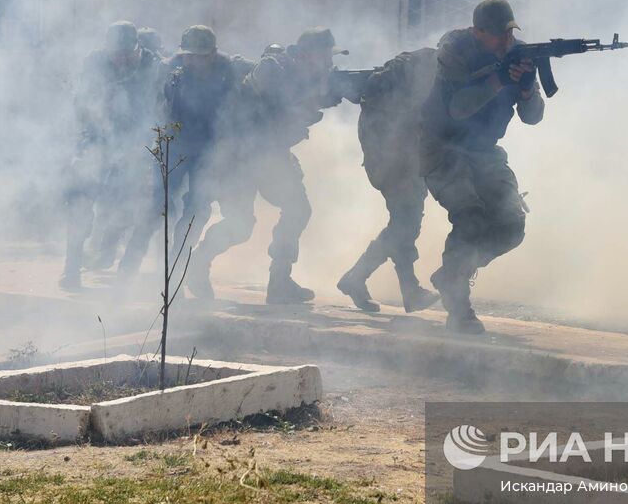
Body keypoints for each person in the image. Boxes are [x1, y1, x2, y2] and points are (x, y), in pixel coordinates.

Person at [184, 27, 347, 304]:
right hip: (241, 153)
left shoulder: (305, 75)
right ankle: (198, 264)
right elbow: (258, 112)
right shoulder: (273, 69)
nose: (329, 62)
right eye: (324, 55)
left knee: (297, 208)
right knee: (241, 224)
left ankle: (280, 282)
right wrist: (308, 102)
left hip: (267, 154)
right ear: (308, 54)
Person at [420, 0, 543, 334]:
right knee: (470, 218)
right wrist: (499, 80)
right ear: (477, 32)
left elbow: (533, 117)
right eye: (497, 35)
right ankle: (458, 309)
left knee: (511, 226)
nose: (505, 42)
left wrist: (528, 88)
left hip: (484, 150)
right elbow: (459, 108)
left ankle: (453, 273)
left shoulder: (516, 53)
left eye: (509, 33)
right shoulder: (455, 51)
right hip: (441, 147)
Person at [116, 25, 245, 279]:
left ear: (213, 53)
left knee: (196, 212)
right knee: (156, 207)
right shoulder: (168, 68)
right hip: (173, 144)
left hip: (207, 149)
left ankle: (175, 273)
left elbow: (238, 106)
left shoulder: (226, 69)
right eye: (189, 54)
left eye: (200, 55)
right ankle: (126, 272)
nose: (194, 60)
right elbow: (148, 105)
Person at [335, 48, 441, 313]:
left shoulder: (426, 68)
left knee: (404, 223)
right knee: (405, 222)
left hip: (399, 159)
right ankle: (405, 288)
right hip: (393, 161)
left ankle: (359, 279)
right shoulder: (426, 69)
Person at [60, 21, 159, 290]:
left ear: (137, 48)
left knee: (126, 205)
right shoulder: (94, 63)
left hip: (136, 142)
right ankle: (72, 268)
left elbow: (159, 105)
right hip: (97, 138)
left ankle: (107, 254)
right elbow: (83, 101)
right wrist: (98, 128)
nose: (121, 58)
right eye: (116, 52)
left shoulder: (153, 65)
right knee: (80, 202)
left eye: (127, 52)